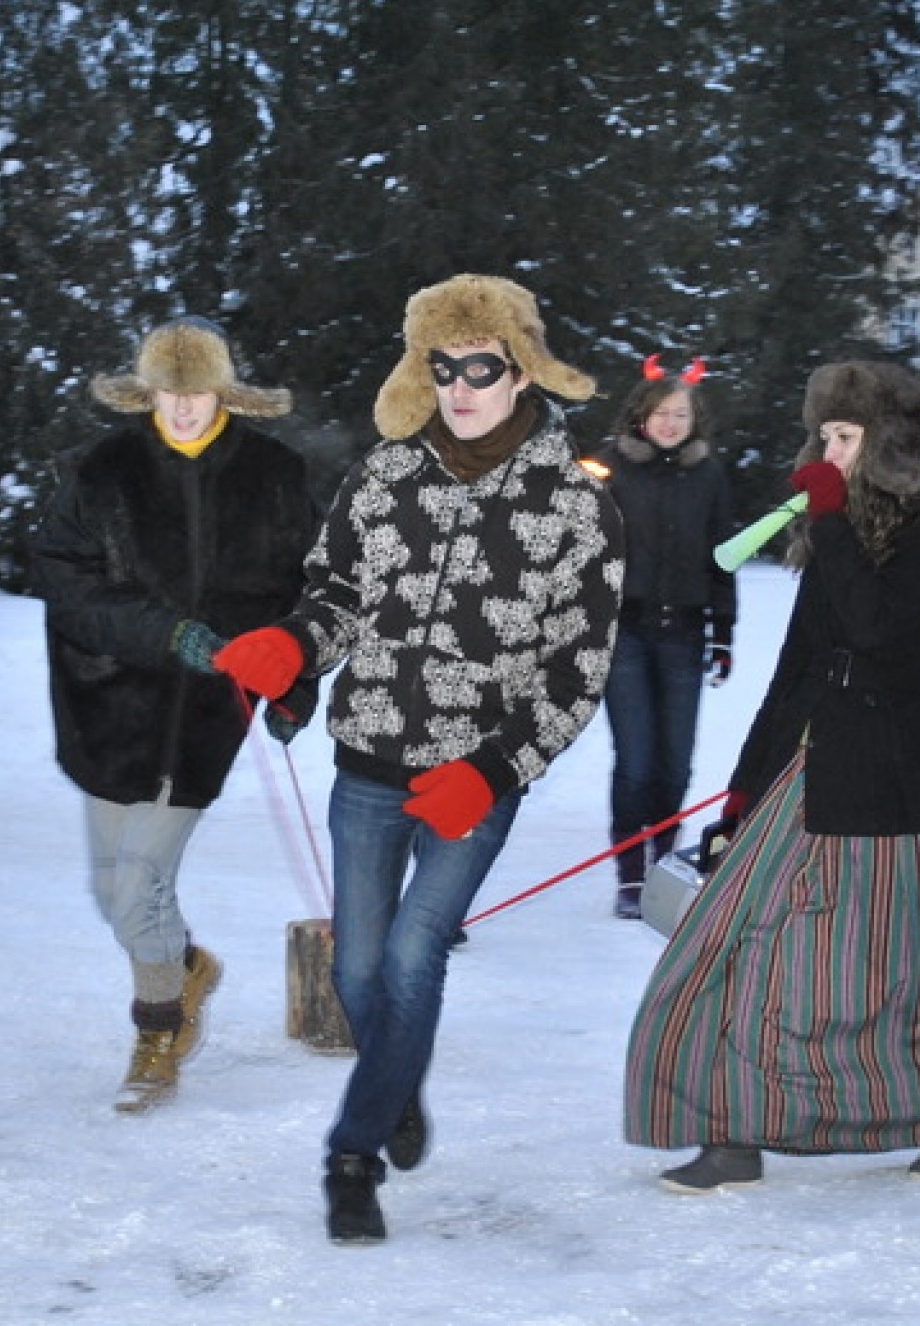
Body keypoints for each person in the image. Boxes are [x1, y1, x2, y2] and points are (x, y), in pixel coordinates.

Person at [214, 274, 624, 1245]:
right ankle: (393, 1081)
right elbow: (337, 593)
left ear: (520, 369)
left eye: (480, 366)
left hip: (471, 780)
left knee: (411, 956)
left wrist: (492, 769)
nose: (460, 386)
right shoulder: (384, 475)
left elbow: (575, 674)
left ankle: (349, 1156)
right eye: (442, 368)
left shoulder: (573, 505)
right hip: (367, 760)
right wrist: (294, 645)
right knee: (358, 972)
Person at [624, 360, 920, 1190]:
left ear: (889, 440)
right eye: (824, 433)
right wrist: (745, 786)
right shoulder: (836, 525)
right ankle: (731, 1134)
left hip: (886, 783)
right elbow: (798, 665)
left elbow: (881, 639)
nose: (828, 450)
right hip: (801, 765)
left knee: (891, 974)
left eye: (847, 435)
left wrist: (829, 520)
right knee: (732, 948)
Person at [30, 316, 319, 1115]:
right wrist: (168, 633)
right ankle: (185, 965)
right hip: (109, 699)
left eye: (198, 392)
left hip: (206, 713)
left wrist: (297, 683)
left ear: (224, 390)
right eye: (169, 391)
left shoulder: (275, 472)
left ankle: (158, 1031)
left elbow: (311, 593)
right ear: (146, 389)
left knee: (140, 885)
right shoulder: (101, 470)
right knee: (111, 888)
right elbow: (66, 582)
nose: (184, 407)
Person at [592, 357, 738, 920]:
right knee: (636, 761)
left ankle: (661, 869)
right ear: (641, 417)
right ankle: (630, 875)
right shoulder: (609, 469)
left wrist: (723, 634)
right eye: (661, 413)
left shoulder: (709, 476)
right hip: (623, 633)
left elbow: (723, 558)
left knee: (675, 764)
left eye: (681, 414)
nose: (671, 423)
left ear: (695, 420)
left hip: (684, 634)